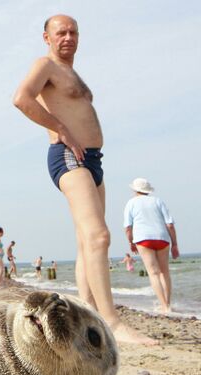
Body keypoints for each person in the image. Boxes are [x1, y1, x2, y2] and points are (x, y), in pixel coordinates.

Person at [13, 14, 155, 345]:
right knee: (99, 236)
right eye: (60, 32)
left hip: (93, 160)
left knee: (85, 242)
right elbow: (21, 98)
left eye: (73, 31)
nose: (68, 37)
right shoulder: (44, 65)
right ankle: (112, 323)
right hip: (67, 155)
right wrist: (61, 129)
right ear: (46, 37)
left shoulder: (72, 73)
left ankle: (87, 313)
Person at [124, 178, 180, 313]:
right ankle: (168, 303)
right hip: (162, 238)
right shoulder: (158, 201)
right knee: (164, 272)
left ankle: (163, 306)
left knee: (153, 273)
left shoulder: (131, 203)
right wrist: (175, 244)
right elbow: (170, 224)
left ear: (135, 190)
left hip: (143, 239)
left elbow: (128, 227)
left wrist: (131, 242)